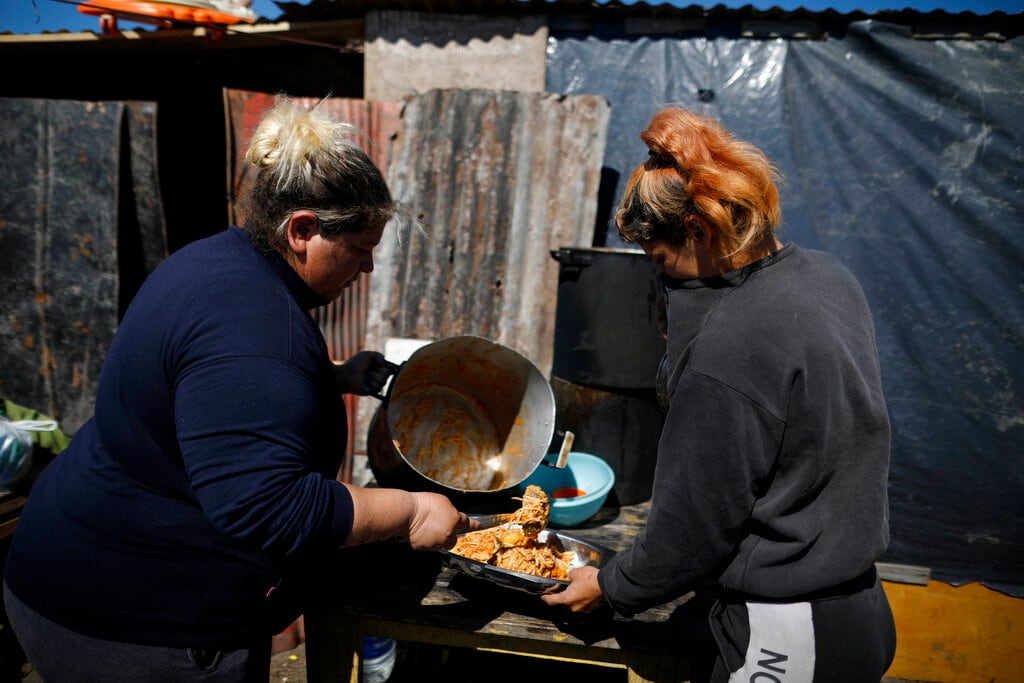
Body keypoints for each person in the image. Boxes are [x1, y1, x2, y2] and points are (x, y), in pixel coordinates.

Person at [3, 96, 473, 681]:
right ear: (303, 230)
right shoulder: (255, 327)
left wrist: (333, 378)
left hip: (77, 562)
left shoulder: (216, 261)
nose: (368, 269)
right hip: (134, 623)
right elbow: (266, 505)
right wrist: (410, 512)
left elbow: (204, 393)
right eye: (360, 250)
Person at [542, 106, 897, 681]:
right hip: (859, 607)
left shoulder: (731, 347)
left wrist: (611, 587)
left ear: (701, 231)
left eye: (662, 263)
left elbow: (695, 525)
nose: (664, 282)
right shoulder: (828, 277)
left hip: (788, 634)